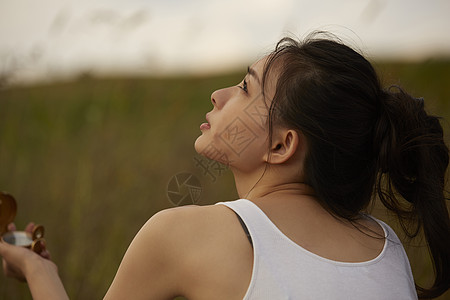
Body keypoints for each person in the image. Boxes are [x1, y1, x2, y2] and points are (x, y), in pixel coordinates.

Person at [1, 32, 449, 299]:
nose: (219, 95)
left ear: (281, 145)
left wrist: (39, 271)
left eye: (245, 89)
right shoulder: (383, 244)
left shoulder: (182, 234)